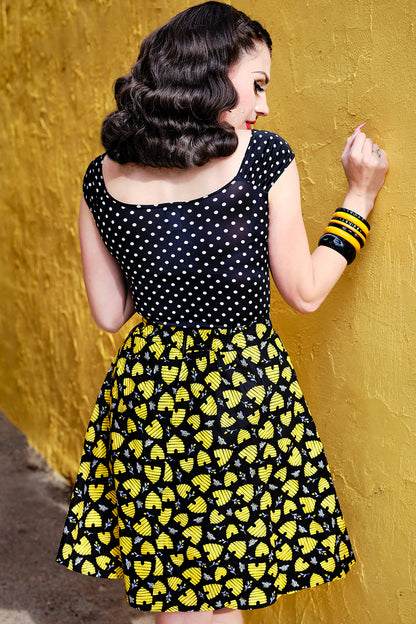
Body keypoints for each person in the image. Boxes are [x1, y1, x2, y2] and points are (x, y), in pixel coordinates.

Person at [56, 2, 388, 623]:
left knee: (178, 592)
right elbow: (307, 291)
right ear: (210, 71)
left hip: (149, 395)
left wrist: (159, 260)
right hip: (236, 394)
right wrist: (359, 198)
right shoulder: (261, 157)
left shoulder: (101, 176)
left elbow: (108, 311)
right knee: (216, 597)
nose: (263, 106)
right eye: (257, 84)